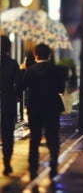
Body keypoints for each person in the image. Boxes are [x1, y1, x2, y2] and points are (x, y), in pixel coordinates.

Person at [20, 43, 66, 180]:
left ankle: (33, 166)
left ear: (35, 55)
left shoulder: (30, 70)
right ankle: (53, 165)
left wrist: (23, 70)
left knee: (35, 138)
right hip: (52, 108)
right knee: (53, 137)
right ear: (49, 55)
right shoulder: (57, 70)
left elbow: (21, 87)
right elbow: (61, 89)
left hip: (35, 108)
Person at [0, 36, 22, 176]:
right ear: (9, 48)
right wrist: (17, 96)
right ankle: (7, 164)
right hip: (7, 101)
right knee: (8, 133)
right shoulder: (13, 64)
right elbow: (19, 85)